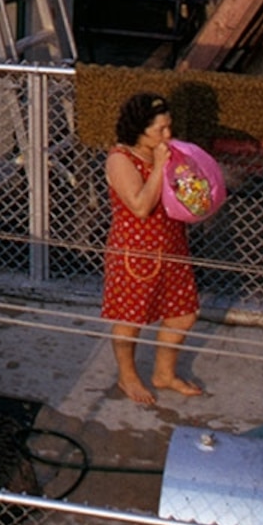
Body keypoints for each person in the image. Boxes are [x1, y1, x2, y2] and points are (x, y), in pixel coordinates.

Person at [102, 92, 202, 406]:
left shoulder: (166, 152)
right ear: (138, 130)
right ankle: (127, 375)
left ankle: (164, 373)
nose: (167, 136)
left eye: (169, 127)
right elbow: (140, 206)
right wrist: (160, 166)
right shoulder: (121, 159)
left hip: (172, 244)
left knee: (183, 313)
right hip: (136, 251)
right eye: (159, 130)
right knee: (130, 317)